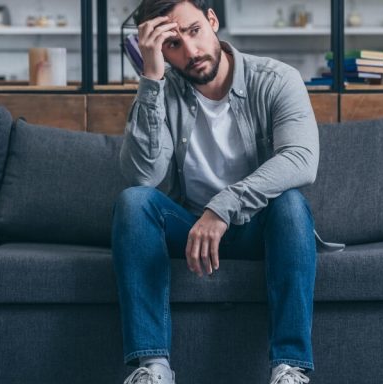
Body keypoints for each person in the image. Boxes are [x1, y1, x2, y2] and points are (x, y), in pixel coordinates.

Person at [112, 1, 330, 383]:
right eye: (172, 44)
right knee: (135, 202)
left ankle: (289, 369)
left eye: (194, 30)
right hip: (189, 231)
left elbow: (301, 160)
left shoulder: (275, 79)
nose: (191, 51)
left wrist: (223, 207)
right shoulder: (161, 90)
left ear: (212, 20)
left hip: (257, 229)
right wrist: (150, 78)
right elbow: (143, 176)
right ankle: (153, 369)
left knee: (292, 204)